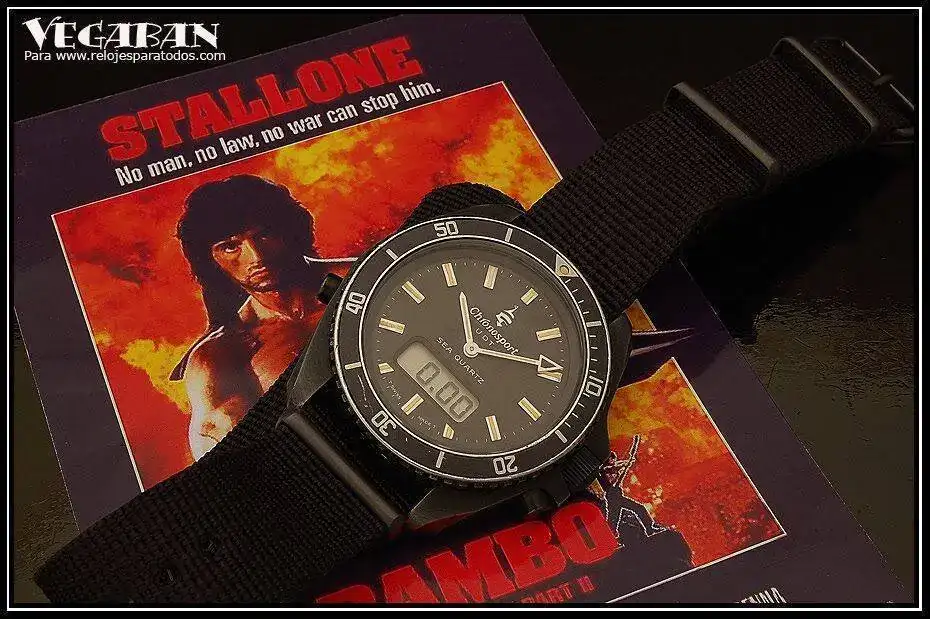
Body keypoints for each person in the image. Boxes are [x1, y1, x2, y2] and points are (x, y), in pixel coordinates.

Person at [170, 174, 351, 459]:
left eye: (265, 235)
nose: (256, 256)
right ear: (211, 261)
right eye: (230, 246)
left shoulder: (364, 275)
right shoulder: (220, 358)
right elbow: (234, 464)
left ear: (291, 230)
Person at [597, 436, 667, 540]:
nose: (614, 460)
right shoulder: (604, 470)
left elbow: (621, 464)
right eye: (612, 459)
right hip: (612, 496)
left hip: (617, 495)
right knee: (613, 519)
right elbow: (613, 469)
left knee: (638, 509)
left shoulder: (612, 467)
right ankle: (608, 538)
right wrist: (624, 466)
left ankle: (649, 528)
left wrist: (629, 460)